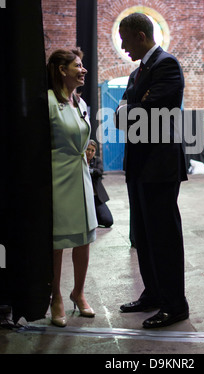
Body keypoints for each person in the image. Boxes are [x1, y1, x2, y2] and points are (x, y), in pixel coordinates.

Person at [115, 12, 189, 329]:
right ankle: (154, 293)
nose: (123, 46)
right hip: (139, 165)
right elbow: (123, 111)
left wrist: (131, 107)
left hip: (159, 165)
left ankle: (175, 304)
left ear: (141, 37)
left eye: (125, 39)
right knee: (143, 236)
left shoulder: (167, 65)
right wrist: (131, 106)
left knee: (163, 237)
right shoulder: (138, 73)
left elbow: (148, 111)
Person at [47, 48, 98, 327]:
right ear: (61, 70)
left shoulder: (81, 103)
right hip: (57, 178)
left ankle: (78, 292)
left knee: (83, 239)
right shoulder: (48, 102)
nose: (83, 70)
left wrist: (90, 146)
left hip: (82, 176)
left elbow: (83, 135)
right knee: (57, 243)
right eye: (77, 66)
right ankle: (55, 296)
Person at [86, 139, 113, 228]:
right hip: (84, 198)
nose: (90, 152)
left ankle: (96, 216)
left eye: (92, 150)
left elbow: (99, 171)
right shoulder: (80, 161)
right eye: (88, 149)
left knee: (108, 221)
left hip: (96, 197)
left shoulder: (97, 161)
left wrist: (88, 171)